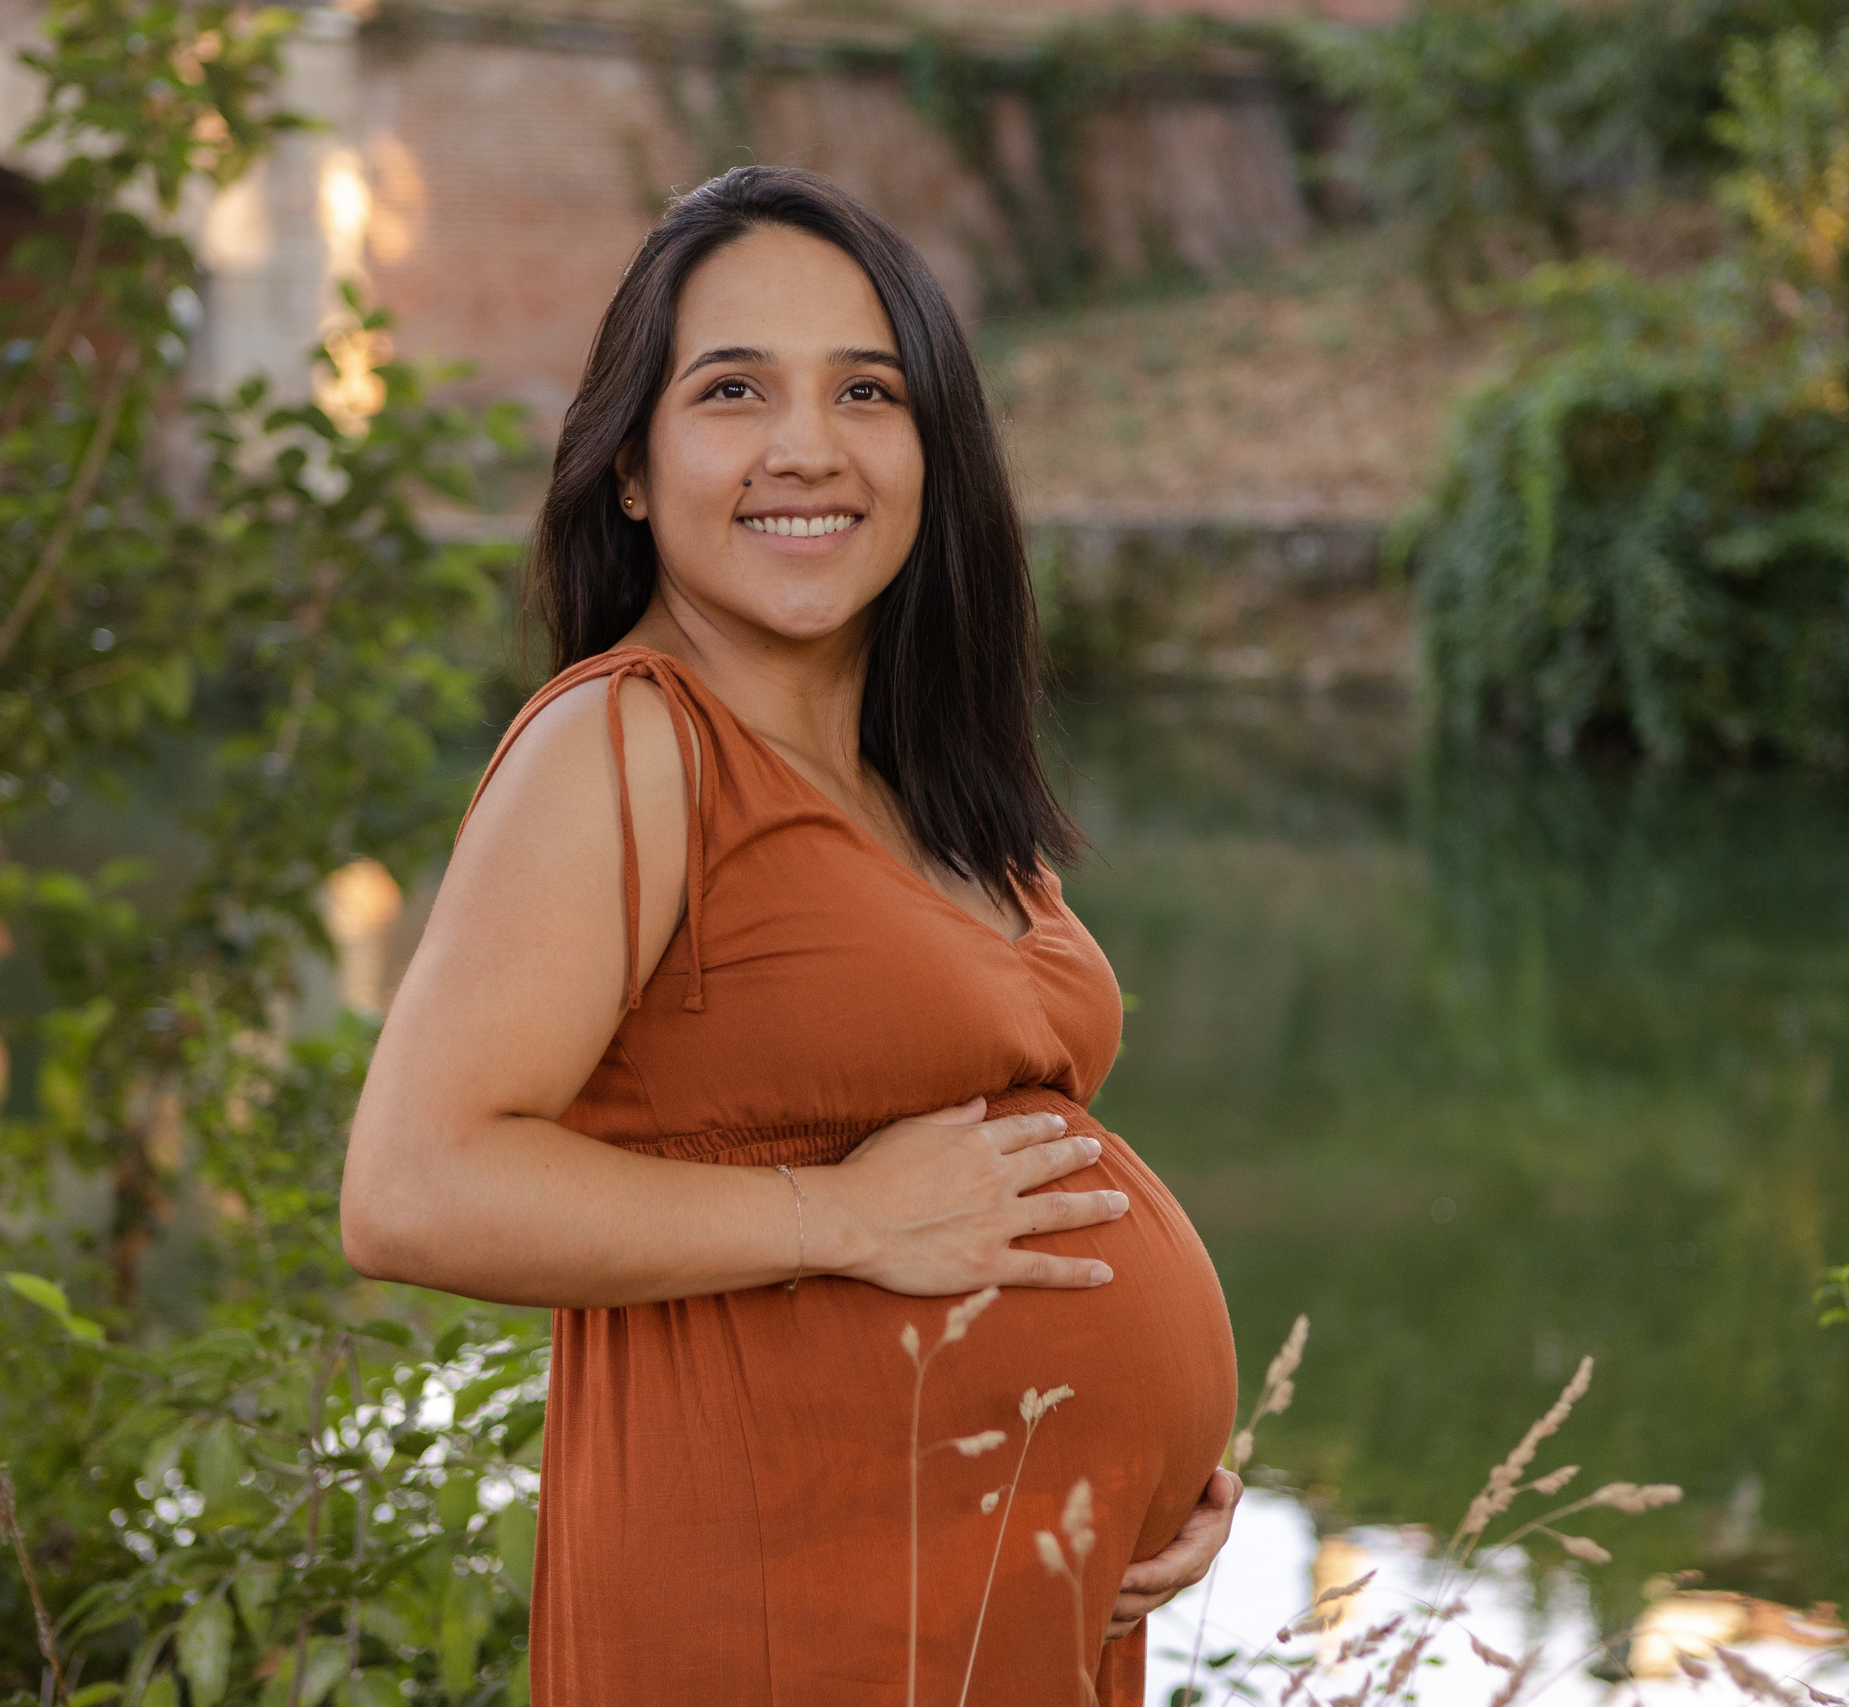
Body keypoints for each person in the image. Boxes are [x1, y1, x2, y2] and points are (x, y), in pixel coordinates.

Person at [341, 165, 1241, 1706]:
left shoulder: (924, 774)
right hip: (790, 1602)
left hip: (1000, 1576)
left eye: (866, 391)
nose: (804, 447)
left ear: (931, 449)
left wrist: (1151, 1464)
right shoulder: (627, 743)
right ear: (631, 463)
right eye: (734, 390)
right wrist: (841, 1222)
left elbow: (993, 1164)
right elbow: (414, 1190)